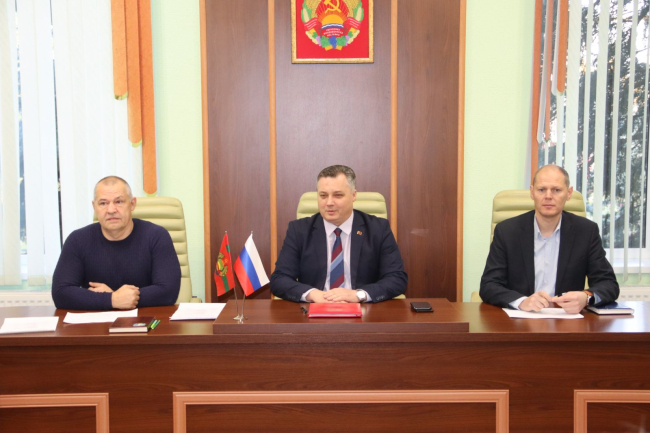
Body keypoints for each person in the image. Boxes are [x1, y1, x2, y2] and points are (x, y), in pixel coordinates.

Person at [480, 165, 619, 313]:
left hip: (566, 320)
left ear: (569, 193)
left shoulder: (586, 231)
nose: (548, 196)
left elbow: (608, 284)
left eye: (556, 190)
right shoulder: (507, 231)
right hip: (520, 318)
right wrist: (522, 302)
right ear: (532, 192)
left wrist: (586, 297)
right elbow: (489, 285)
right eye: (541, 190)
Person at [271, 165, 407, 303]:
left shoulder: (378, 229)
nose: (329, 203)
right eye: (323, 195)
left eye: (338, 195)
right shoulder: (299, 230)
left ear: (353, 195)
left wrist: (358, 295)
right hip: (315, 309)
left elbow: (396, 278)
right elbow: (279, 279)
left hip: (363, 310)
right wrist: (312, 294)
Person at [51, 176, 181, 310]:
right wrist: (112, 299)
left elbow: (168, 292)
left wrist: (116, 297)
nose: (111, 210)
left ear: (132, 204)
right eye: (103, 203)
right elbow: (60, 293)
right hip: (97, 321)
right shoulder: (77, 240)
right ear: (94, 207)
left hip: (147, 320)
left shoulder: (156, 236)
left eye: (119, 202)